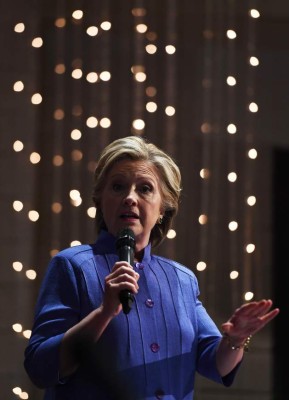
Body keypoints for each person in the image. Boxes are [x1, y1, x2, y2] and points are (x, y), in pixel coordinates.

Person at [24, 135, 280, 400]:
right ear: (100, 199)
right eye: (118, 187)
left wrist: (235, 339)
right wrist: (104, 312)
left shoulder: (182, 279)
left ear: (164, 207)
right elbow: (40, 368)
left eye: (145, 188)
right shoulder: (72, 265)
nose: (130, 198)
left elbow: (215, 362)